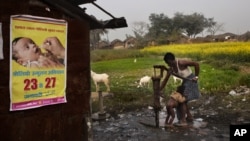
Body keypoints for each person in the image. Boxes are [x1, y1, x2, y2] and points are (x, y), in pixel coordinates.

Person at [159, 52, 201, 126]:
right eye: (167, 63)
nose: (168, 65)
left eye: (169, 62)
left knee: (181, 100)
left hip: (191, 81)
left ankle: (183, 121)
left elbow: (196, 64)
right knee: (183, 100)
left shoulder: (181, 63)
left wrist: (196, 77)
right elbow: (165, 80)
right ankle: (189, 117)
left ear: (172, 60)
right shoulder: (171, 69)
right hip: (185, 82)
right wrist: (159, 90)